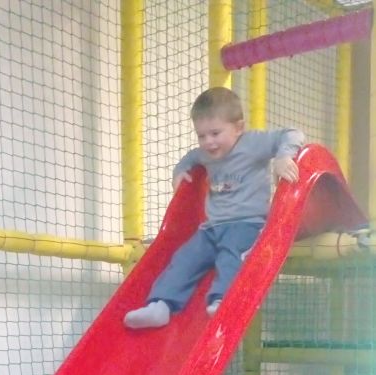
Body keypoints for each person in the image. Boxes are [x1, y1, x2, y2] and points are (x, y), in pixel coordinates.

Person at [124, 86, 305, 329]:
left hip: (247, 224)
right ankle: (161, 305)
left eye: (215, 133)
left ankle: (222, 300)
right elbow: (190, 158)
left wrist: (283, 157)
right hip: (211, 228)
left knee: (231, 255)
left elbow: (293, 134)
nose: (208, 142)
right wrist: (179, 172)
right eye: (202, 136)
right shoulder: (205, 154)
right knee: (184, 259)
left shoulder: (253, 143)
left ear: (238, 127)